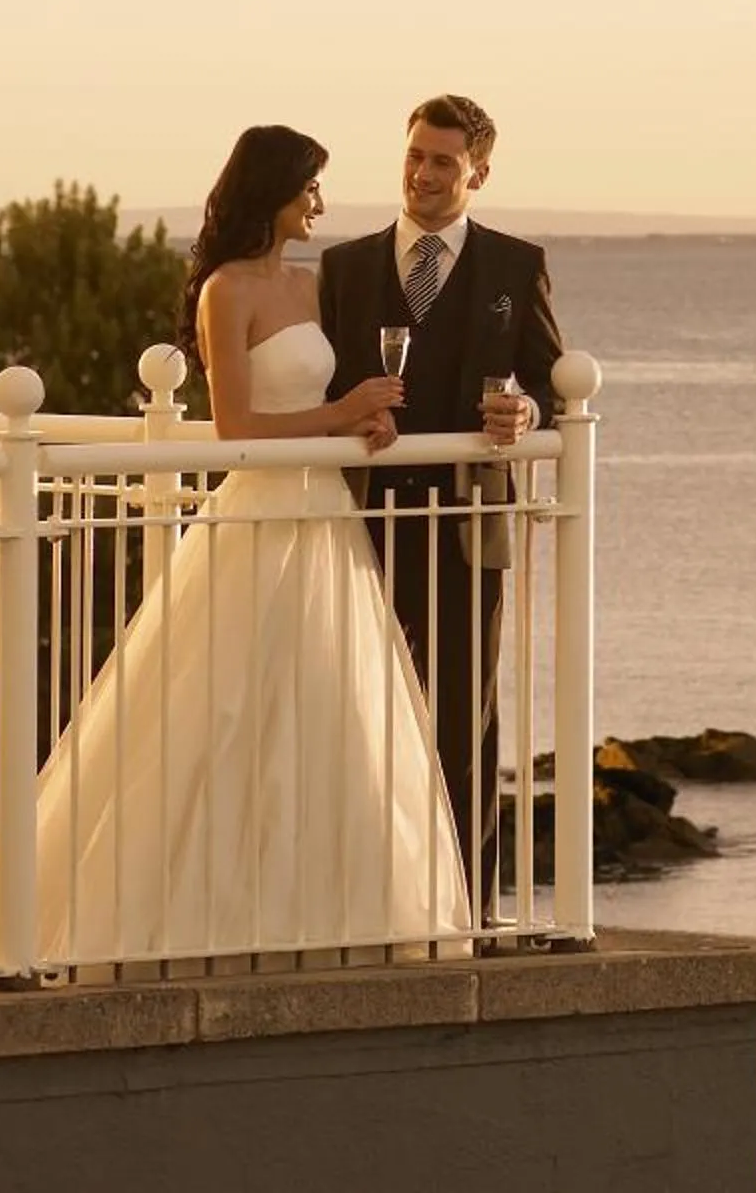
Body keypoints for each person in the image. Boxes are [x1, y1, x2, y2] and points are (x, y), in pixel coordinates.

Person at [0, 125, 470, 970]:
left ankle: (327, 915)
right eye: (311, 191)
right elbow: (236, 429)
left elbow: (323, 395)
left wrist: (363, 419)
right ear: (276, 192)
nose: (321, 206)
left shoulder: (314, 283)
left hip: (326, 517)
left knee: (333, 713)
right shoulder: (227, 292)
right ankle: (202, 923)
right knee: (225, 713)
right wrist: (339, 415)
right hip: (260, 515)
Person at [317, 94, 563, 912]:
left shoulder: (515, 265)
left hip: (468, 526)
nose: (423, 174)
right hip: (360, 523)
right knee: (350, 713)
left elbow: (551, 389)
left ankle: (467, 905)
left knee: (464, 721)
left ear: (478, 173)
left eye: (444, 162)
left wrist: (525, 412)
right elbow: (323, 389)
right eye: (415, 155)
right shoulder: (345, 268)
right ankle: (359, 894)